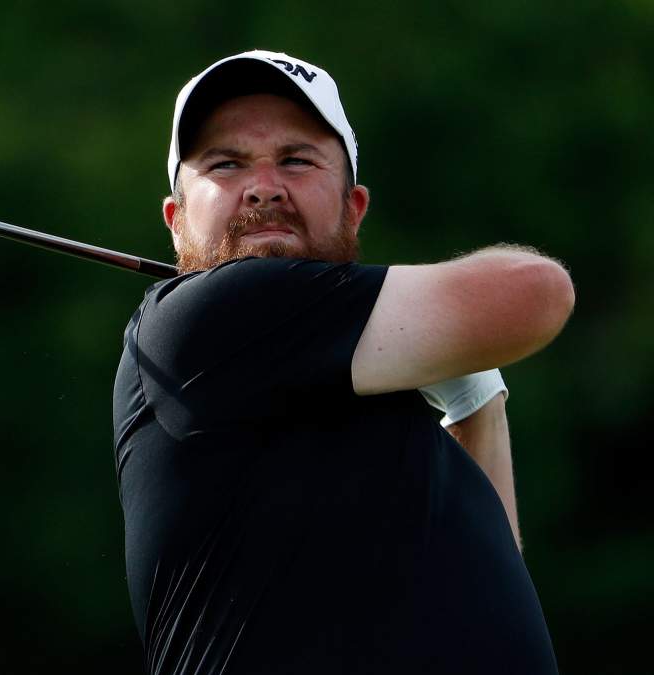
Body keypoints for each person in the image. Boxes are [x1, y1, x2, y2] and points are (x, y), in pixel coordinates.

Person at [112, 50, 575, 674]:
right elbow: (538, 290)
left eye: (296, 160)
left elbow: (493, 578)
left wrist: (477, 403)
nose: (264, 186)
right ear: (176, 221)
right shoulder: (201, 320)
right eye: (226, 164)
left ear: (353, 206)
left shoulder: (381, 393)